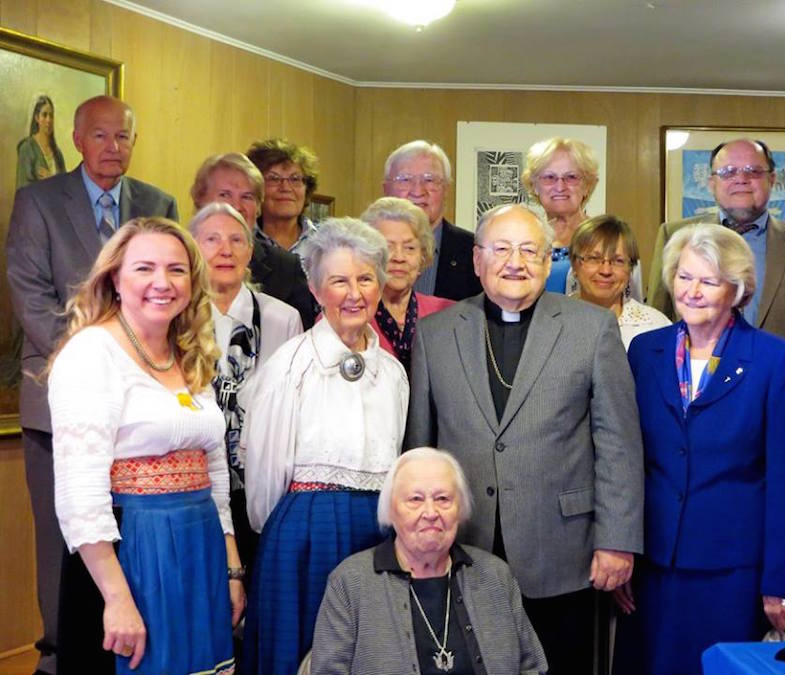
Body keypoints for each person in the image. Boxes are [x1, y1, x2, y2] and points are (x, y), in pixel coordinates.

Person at [405, 203, 644, 673]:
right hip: (464, 542)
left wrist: (616, 541)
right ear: (477, 261)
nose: (515, 262)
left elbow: (618, 442)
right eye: (501, 249)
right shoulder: (435, 334)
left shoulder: (591, 328)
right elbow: (420, 447)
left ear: (547, 260)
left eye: (529, 250)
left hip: (561, 549)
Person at [6, 94, 178, 675]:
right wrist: (103, 356)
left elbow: (164, 295)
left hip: (141, 408)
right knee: (65, 534)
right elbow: (30, 293)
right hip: (57, 405)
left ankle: (130, 643)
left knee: (129, 527)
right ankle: (60, 655)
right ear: (77, 140)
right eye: (101, 137)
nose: (114, 148)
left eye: (124, 137)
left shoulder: (157, 203)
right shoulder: (38, 201)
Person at [47, 217, 243, 674]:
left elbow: (214, 469)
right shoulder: (92, 353)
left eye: (176, 270)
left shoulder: (189, 350)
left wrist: (231, 565)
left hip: (200, 549)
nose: (162, 282)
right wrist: (115, 598)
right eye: (144, 268)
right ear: (115, 277)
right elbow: (80, 493)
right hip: (133, 552)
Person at [615, 224, 785, 675]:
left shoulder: (773, 359)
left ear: (737, 290)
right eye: (684, 277)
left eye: (709, 281)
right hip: (651, 564)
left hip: (730, 570)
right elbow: (625, 457)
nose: (693, 292)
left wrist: (782, 581)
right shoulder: (646, 351)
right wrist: (621, 548)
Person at [241, 218, 409, 674]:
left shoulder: (393, 372)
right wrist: (286, 537)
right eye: (339, 280)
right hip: (305, 534)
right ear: (316, 291)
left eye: (365, 278)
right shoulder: (289, 365)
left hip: (380, 533)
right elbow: (264, 478)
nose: (354, 293)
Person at [311, 448, 548, 675]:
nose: (431, 512)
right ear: (391, 510)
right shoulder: (349, 583)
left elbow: (531, 666)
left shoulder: (496, 576)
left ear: (460, 509)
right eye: (415, 499)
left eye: (443, 498)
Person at [188, 202, 302, 591]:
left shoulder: (281, 318)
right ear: (192, 249)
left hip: (259, 480)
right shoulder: (178, 318)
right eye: (213, 240)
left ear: (250, 251)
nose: (226, 250)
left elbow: (292, 408)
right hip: (197, 481)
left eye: (237, 240)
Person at [646, 138, 785, 342]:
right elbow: (658, 318)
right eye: (728, 172)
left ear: (772, 179)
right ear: (711, 183)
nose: (741, 179)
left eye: (754, 171)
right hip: (693, 370)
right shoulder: (674, 235)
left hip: (782, 372)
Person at [190, 152, 317, 327]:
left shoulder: (286, 269)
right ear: (199, 200)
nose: (236, 207)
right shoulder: (173, 260)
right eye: (225, 195)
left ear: (258, 207)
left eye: (247, 197)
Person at [360, 196, 454, 372]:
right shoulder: (349, 315)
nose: (399, 257)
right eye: (388, 247)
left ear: (423, 255)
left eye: (410, 248)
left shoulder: (448, 314)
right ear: (367, 254)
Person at [383, 140, 481, 300]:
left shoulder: (475, 253)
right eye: (405, 179)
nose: (418, 191)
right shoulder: (362, 250)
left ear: (446, 190)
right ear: (385, 189)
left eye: (429, 180)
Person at [570, 215, 669, 349]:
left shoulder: (656, 327)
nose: (605, 271)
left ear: (631, 269)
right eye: (594, 258)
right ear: (575, 265)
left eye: (618, 261)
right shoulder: (552, 322)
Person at [521, 137, 600, 295]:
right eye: (549, 177)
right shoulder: (522, 239)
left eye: (571, 177)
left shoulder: (606, 238)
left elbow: (628, 304)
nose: (560, 187)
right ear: (534, 186)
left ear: (587, 186)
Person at [247, 138, 320, 256]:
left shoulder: (326, 242)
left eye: (295, 179)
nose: (285, 187)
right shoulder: (240, 239)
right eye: (274, 178)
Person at [16, 94, 66, 189]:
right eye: (44, 115)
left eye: (51, 116)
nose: (48, 120)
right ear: (36, 118)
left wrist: (52, 180)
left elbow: (66, 189)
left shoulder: (57, 154)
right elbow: (23, 191)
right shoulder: (27, 148)